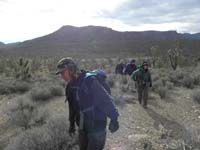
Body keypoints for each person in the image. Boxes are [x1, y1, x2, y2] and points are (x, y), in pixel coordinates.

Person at [56, 58, 119, 150]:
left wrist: (114, 118)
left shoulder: (89, 81)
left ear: (71, 69)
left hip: (97, 127)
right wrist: (72, 124)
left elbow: (105, 100)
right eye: (60, 73)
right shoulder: (70, 86)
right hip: (82, 127)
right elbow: (72, 107)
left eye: (63, 72)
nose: (61, 76)